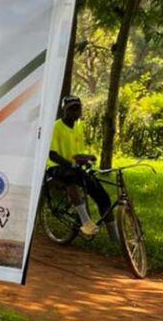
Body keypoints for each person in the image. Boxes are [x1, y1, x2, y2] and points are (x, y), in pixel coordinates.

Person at [46, 95, 114, 238]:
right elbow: (52, 155)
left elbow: (78, 153)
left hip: (73, 167)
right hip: (56, 166)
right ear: (64, 110)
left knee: (103, 196)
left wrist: (86, 160)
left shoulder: (78, 128)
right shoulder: (56, 127)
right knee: (71, 177)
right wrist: (72, 164)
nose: (75, 111)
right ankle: (85, 222)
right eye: (72, 108)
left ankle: (115, 236)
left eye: (78, 108)